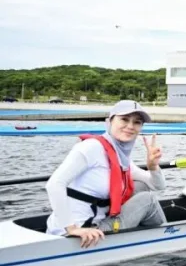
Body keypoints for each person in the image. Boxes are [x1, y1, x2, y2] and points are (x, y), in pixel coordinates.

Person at [45, 100, 167, 248]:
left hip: (95, 222)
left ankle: (147, 237)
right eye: (124, 119)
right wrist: (72, 229)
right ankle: (167, 239)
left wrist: (153, 166)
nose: (130, 126)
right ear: (109, 122)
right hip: (82, 231)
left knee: (140, 186)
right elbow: (54, 184)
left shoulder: (119, 155)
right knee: (149, 200)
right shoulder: (91, 147)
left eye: (137, 122)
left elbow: (158, 186)